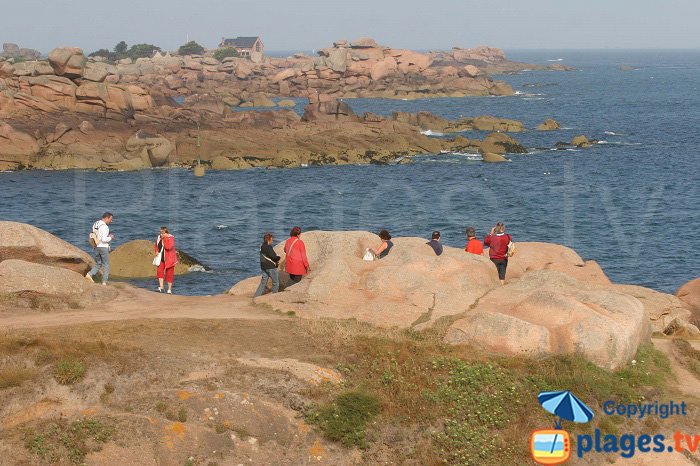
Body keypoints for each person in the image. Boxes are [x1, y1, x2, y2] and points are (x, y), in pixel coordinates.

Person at [86, 212, 114, 285]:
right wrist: (110, 237)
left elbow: (96, 234)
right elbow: (104, 239)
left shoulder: (96, 224)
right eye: (110, 219)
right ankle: (104, 282)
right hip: (103, 247)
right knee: (106, 265)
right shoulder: (105, 227)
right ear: (107, 218)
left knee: (98, 263)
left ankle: (89, 274)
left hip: (96, 247)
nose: (111, 221)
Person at [255, 232, 280, 296]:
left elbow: (263, 258)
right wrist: (278, 258)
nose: (272, 240)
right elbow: (274, 257)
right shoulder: (268, 247)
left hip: (263, 267)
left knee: (263, 283)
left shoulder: (262, 246)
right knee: (275, 282)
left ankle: (257, 295)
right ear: (269, 239)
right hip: (271, 267)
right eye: (272, 239)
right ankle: (274, 296)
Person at [155, 226, 178, 294]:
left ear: (166, 233)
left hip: (170, 259)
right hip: (161, 258)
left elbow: (168, 247)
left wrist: (164, 239)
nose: (161, 234)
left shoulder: (170, 238)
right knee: (159, 271)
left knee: (169, 274)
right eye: (160, 233)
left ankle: (169, 289)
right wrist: (156, 251)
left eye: (162, 233)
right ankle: (161, 287)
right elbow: (156, 245)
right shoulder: (159, 237)